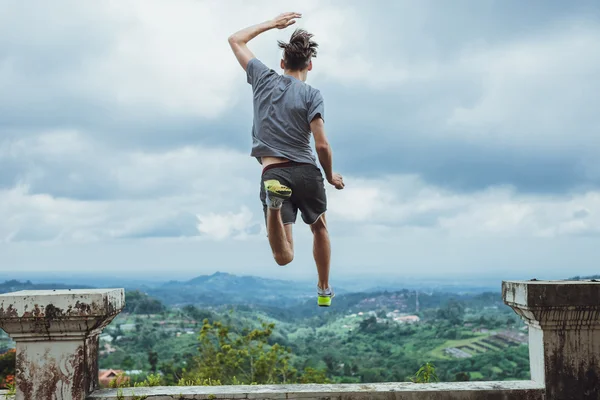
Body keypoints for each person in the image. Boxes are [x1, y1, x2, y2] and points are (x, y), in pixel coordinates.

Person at [228, 12, 345, 307]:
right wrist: (330, 175)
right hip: (307, 172)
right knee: (319, 227)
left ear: (282, 64)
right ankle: (324, 288)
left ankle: (274, 205)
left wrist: (272, 24)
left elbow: (235, 39)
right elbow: (322, 145)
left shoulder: (263, 78)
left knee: (284, 257)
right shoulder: (312, 95)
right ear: (310, 65)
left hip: (273, 173)